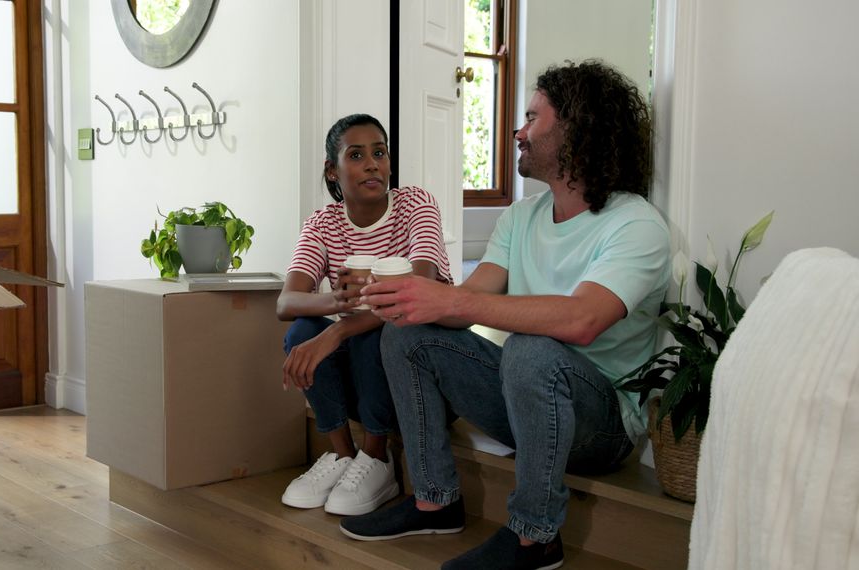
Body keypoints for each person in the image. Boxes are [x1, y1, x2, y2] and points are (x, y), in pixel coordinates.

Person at [340, 60, 670, 570]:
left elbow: (583, 319)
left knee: (534, 348)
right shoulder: (520, 217)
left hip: (602, 426)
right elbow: (466, 301)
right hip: (527, 400)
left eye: (533, 119)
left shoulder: (636, 225)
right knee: (408, 334)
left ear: (578, 131)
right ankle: (435, 500)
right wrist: (407, 294)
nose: (518, 132)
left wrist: (454, 301)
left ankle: (535, 537)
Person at [277, 113, 452, 517]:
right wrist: (337, 302)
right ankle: (342, 456)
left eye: (380, 152)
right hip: (363, 373)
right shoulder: (323, 223)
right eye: (356, 155)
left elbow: (420, 285)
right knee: (303, 331)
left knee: (377, 332)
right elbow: (286, 303)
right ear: (332, 170)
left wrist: (336, 333)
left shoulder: (416, 204)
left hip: (416, 368)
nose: (373, 163)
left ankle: (378, 458)